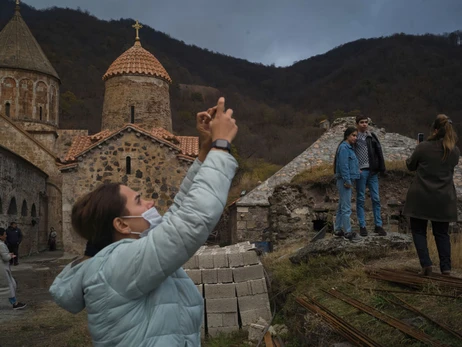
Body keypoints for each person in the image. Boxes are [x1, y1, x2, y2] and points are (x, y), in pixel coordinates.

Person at [49, 97, 238, 346]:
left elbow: (179, 210)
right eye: (138, 201)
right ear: (122, 225)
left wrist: (204, 152)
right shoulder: (118, 265)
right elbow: (190, 222)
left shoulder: (118, 258)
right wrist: (221, 146)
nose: (150, 203)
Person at [403, 114, 459, 276]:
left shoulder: (423, 147)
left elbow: (410, 165)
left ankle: (426, 264)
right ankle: (446, 267)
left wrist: (418, 148)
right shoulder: (454, 150)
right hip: (444, 197)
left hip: (420, 196)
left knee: (418, 231)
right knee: (442, 233)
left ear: (434, 130)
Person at [354, 115, 387, 237]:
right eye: (362, 122)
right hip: (361, 171)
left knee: (376, 198)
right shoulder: (354, 137)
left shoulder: (371, 136)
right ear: (357, 124)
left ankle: (378, 225)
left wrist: (381, 168)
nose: (364, 124)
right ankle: (362, 226)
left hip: (373, 171)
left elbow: (379, 151)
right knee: (361, 199)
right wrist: (355, 170)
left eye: (366, 122)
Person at [333, 127, 362, 243]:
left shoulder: (348, 148)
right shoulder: (344, 148)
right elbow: (343, 166)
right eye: (353, 135)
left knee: (341, 206)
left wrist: (356, 170)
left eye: (356, 136)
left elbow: (350, 164)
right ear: (347, 136)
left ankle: (338, 229)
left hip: (346, 179)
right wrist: (347, 181)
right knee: (346, 208)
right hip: (344, 181)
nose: (355, 138)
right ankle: (348, 232)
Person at [0, 228, 27, 310]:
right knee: (10, 285)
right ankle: (15, 303)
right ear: (0, 236)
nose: (6, 235)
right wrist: (10, 256)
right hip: (2, 269)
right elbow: (5, 257)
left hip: (3, 268)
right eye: (5, 234)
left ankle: (14, 302)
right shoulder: (1, 245)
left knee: (11, 284)